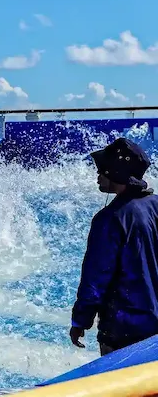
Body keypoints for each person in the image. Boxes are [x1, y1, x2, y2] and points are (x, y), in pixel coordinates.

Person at [70, 137, 158, 356]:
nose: (98, 176)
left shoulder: (109, 219)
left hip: (124, 331)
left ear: (115, 173)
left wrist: (80, 320)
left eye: (102, 170)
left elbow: (96, 276)